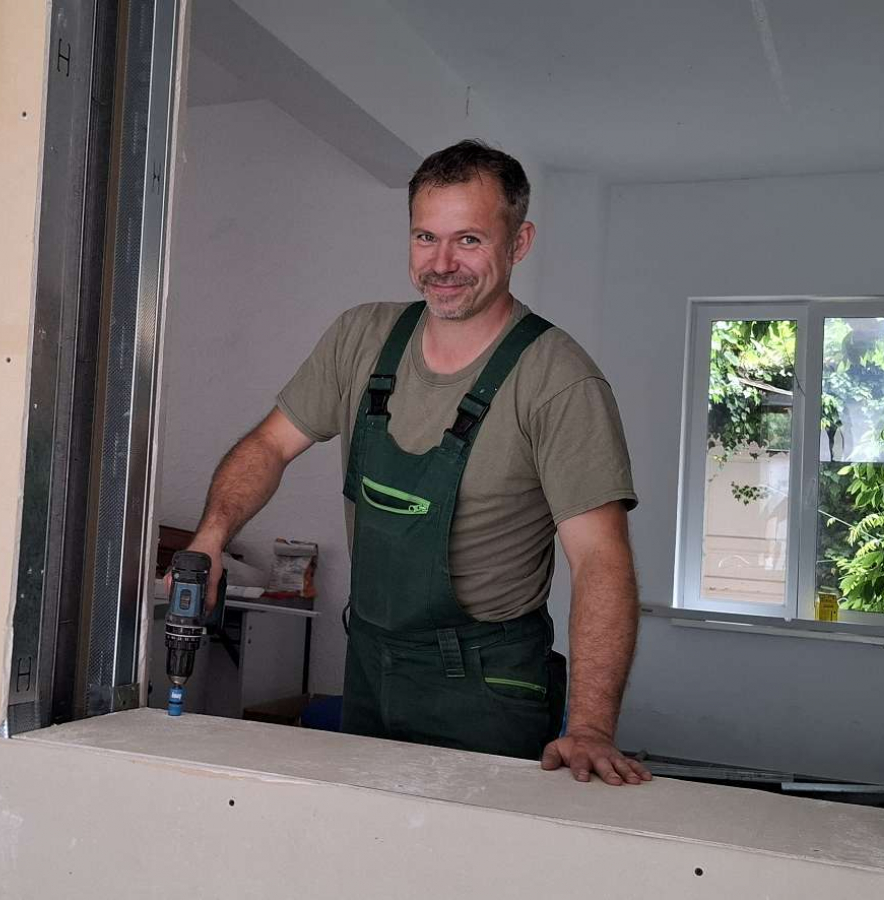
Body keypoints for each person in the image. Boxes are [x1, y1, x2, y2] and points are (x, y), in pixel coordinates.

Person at [183, 139, 650, 786]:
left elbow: (601, 560)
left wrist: (592, 728)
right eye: (425, 237)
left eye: (469, 241)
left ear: (519, 243)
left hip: (489, 688)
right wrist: (210, 539)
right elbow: (268, 445)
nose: (442, 264)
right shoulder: (360, 339)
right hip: (372, 665)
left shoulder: (559, 382)